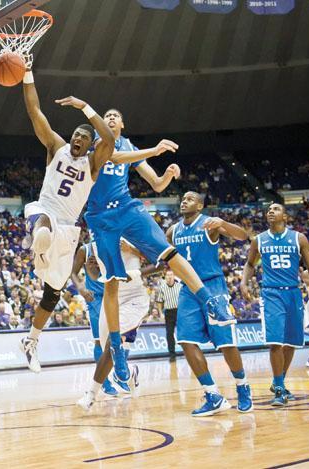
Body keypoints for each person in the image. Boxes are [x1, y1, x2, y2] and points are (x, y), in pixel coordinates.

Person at [80, 108, 235, 383]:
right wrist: (154, 150)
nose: (112, 118)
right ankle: (116, 347)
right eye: (107, 116)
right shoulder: (97, 145)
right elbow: (114, 156)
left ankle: (209, 301)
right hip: (99, 216)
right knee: (112, 282)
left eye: (116, 115)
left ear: (123, 122)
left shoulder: (130, 145)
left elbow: (157, 184)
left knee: (168, 252)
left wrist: (168, 174)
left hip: (126, 208)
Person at [17, 69, 115, 372]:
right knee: (43, 222)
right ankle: (36, 240)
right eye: (76, 134)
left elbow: (109, 139)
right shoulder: (56, 148)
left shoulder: (93, 163)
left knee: (54, 292)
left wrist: (85, 107)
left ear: (89, 145)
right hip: (44, 211)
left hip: (69, 229)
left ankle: (31, 340)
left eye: (84, 137)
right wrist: (27, 73)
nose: (78, 138)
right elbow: (35, 111)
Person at [166, 192, 252, 416]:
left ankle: (243, 386)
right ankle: (213, 394)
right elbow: (163, 257)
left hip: (213, 287)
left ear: (201, 205)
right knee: (185, 341)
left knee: (225, 344)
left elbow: (243, 236)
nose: (184, 201)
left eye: (190, 199)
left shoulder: (209, 224)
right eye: (183, 198)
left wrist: (223, 222)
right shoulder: (172, 231)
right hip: (188, 290)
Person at [241, 203, 309, 406]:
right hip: (271, 294)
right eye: (269, 209)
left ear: (285, 216)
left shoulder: (299, 238)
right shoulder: (259, 240)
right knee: (275, 342)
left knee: (291, 343)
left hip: (293, 294)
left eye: (276, 209)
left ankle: (278, 381)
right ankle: (279, 389)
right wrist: (244, 282)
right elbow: (249, 264)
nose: (270, 211)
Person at [77, 240, 158, 410]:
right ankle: (130, 374)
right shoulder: (98, 242)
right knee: (107, 348)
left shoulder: (132, 233)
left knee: (111, 345)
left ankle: (91, 394)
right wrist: (92, 272)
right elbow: (97, 276)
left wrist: (133, 251)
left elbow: (161, 263)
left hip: (134, 299)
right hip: (111, 298)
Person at [70, 242, 118, 396]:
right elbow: (72, 272)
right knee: (100, 341)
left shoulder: (115, 243)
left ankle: (120, 375)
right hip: (95, 299)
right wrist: (81, 288)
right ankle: (104, 382)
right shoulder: (85, 249)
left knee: (118, 339)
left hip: (114, 295)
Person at [155, 270, 181, 358]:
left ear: (174, 276)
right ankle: (172, 354)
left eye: (171, 275)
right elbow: (159, 301)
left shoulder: (179, 286)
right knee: (169, 333)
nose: (169, 277)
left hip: (179, 311)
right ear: (165, 277)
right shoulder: (162, 288)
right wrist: (160, 313)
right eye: (167, 275)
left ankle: (188, 351)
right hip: (169, 312)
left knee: (183, 332)